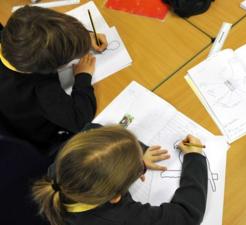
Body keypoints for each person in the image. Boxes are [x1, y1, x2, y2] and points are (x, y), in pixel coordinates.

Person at [32, 126, 208, 225]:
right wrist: (195, 156)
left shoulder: (61, 166)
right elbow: (187, 216)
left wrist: (135, 154)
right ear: (116, 197)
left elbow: (93, 129)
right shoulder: (122, 217)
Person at [0, 6, 108, 150]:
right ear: (51, 69)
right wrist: (83, 76)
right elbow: (80, 119)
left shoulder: (12, 37)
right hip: (47, 140)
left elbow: (45, 33)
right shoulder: (41, 89)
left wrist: (83, 36)